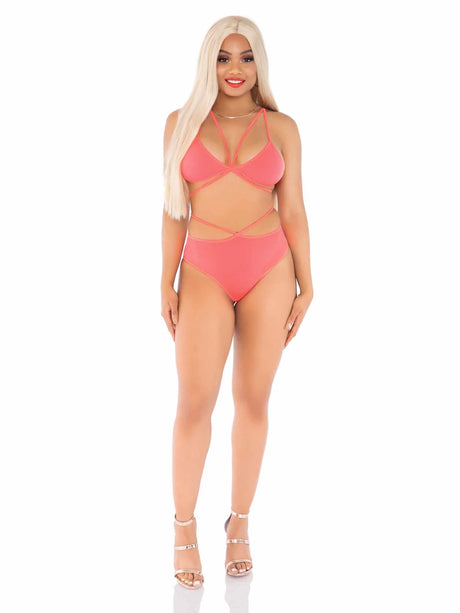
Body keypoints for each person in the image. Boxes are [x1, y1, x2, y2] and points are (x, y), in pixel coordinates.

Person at [161, 15, 313, 589]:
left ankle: (240, 523)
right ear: (210, 62)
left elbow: (293, 208)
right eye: (224, 57)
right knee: (193, 405)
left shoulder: (283, 128)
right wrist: (165, 280)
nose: (235, 68)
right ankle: (183, 528)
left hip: (270, 269)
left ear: (259, 64)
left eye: (246, 57)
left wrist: (307, 283)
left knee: (253, 401)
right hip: (203, 270)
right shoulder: (180, 124)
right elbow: (173, 208)